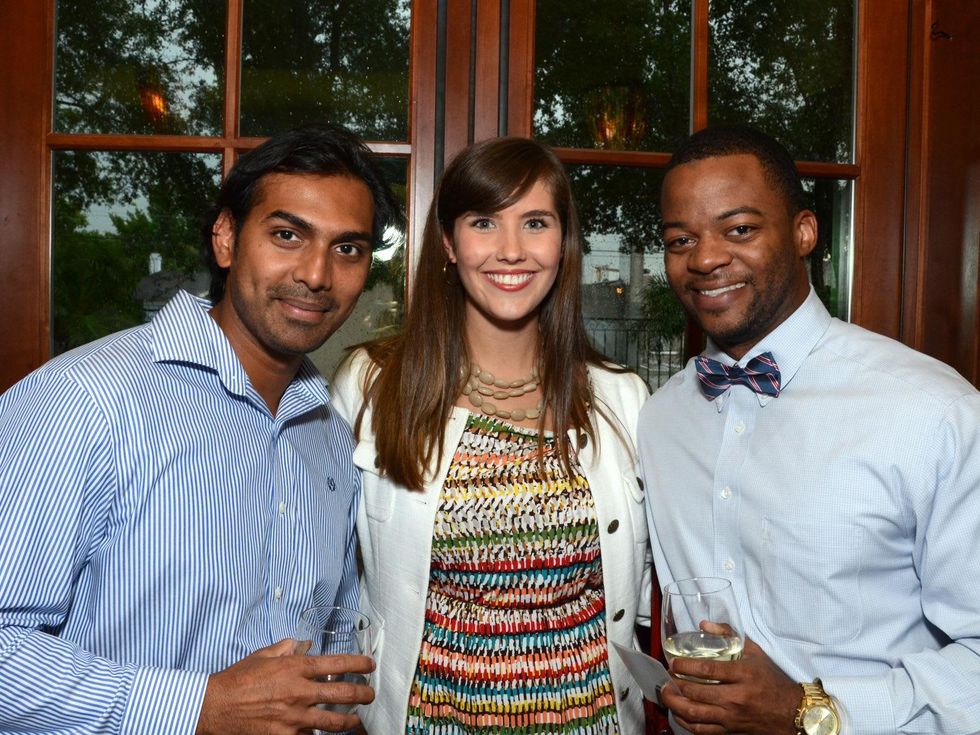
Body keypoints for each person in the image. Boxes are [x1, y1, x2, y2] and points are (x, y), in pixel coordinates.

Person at [0, 126, 399, 734]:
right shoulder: (87, 401)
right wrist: (198, 708)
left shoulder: (330, 435)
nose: (317, 274)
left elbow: (328, 633)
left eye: (348, 249)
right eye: (287, 235)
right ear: (226, 239)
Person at [638, 124, 980, 735]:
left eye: (739, 229)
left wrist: (810, 711)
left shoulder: (933, 412)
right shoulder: (659, 417)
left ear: (803, 232)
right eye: (680, 239)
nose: (706, 257)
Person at [330, 136, 651, 734]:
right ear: (449, 244)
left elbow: (664, 577)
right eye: (484, 222)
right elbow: (323, 575)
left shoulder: (621, 397)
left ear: (563, 242)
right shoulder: (374, 385)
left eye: (535, 222)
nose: (511, 251)